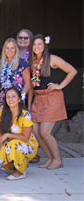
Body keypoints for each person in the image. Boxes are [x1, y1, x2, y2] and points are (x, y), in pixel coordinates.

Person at [28, 34, 77, 170]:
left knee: (45, 132)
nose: (37, 47)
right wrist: (29, 104)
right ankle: (51, 158)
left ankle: (57, 159)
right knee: (36, 131)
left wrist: (60, 85)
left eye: (39, 44)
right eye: (34, 44)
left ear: (44, 46)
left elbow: (72, 71)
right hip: (38, 99)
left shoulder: (52, 59)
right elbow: (32, 86)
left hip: (51, 98)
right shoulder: (31, 61)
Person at [0, 87, 38, 180]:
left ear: (19, 99)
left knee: (13, 144)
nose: (10, 100)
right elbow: (0, 132)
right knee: (0, 156)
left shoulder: (25, 115)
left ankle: (20, 171)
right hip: (11, 144)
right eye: (8, 97)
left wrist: (7, 135)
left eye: (13, 97)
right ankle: (18, 164)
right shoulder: (2, 112)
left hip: (26, 144)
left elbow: (25, 138)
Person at [0, 38, 31, 107]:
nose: (9, 50)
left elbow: (28, 83)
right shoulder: (1, 64)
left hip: (17, 101)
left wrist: (20, 97)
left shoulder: (22, 63)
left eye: (12, 48)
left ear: (16, 50)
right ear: (4, 50)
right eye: (7, 48)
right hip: (3, 100)